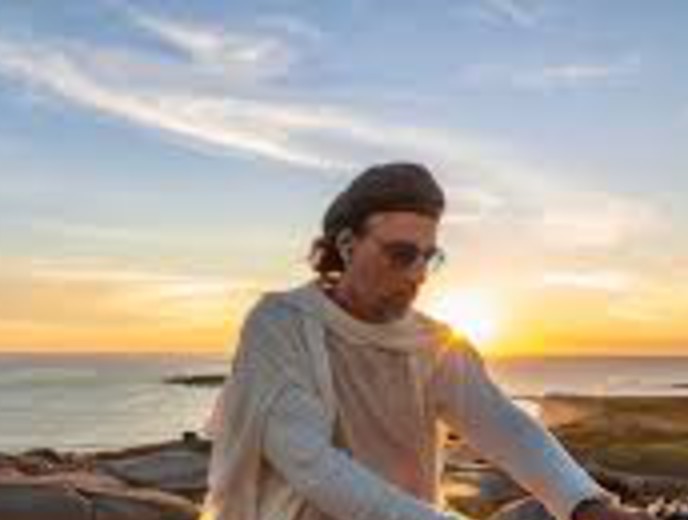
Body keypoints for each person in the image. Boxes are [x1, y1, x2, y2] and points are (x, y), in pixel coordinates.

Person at [202, 163, 651, 520]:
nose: (418, 274)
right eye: (401, 255)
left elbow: (503, 425)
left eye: (428, 257)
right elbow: (310, 463)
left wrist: (584, 504)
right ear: (348, 244)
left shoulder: (433, 343)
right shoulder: (281, 325)